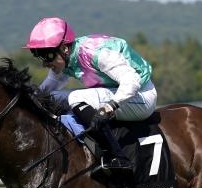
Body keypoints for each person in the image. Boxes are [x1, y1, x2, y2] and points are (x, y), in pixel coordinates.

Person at [24, 17, 157, 174]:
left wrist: (110, 106)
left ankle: (116, 155)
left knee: (76, 98)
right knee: (52, 97)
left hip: (141, 96)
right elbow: (46, 90)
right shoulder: (67, 57)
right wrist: (26, 98)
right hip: (119, 93)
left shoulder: (97, 54)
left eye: (47, 56)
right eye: (40, 56)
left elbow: (132, 81)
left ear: (64, 48)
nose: (45, 63)